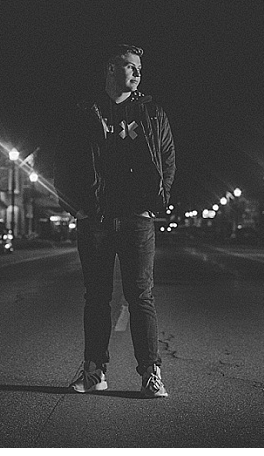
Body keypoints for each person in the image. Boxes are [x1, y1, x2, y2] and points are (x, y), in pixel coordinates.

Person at [54, 43, 176, 398]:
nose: (137, 73)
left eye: (139, 68)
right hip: (96, 218)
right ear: (111, 69)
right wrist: (75, 207)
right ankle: (94, 372)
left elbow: (168, 158)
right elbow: (63, 162)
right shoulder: (85, 112)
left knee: (141, 297)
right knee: (97, 297)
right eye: (129, 66)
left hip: (138, 218)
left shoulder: (151, 113)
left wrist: (157, 202)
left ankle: (150, 373)